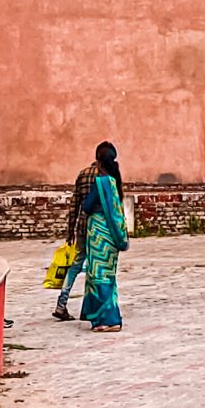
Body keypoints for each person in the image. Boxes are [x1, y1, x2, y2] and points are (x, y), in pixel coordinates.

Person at [79, 140, 127, 332]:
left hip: (99, 235)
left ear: (99, 162)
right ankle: (108, 317)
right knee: (108, 277)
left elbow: (87, 206)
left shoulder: (100, 184)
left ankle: (108, 319)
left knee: (99, 277)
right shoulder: (115, 183)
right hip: (111, 237)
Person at [51, 148, 102, 319]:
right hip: (98, 230)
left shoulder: (83, 174)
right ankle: (94, 306)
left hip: (81, 226)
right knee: (97, 267)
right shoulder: (105, 177)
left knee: (76, 264)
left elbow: (74, 205)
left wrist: (70, 231)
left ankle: (61, 303)